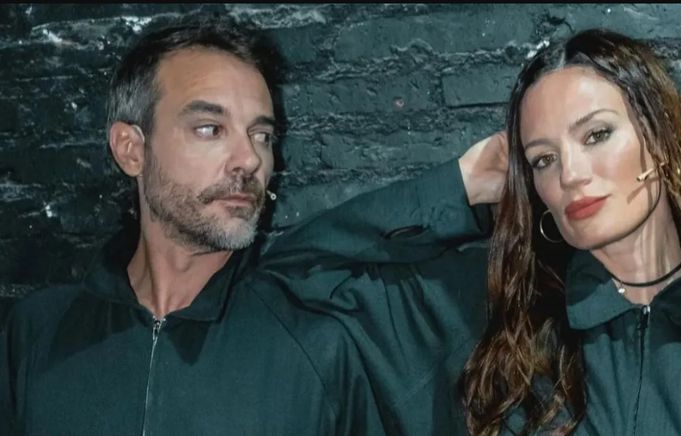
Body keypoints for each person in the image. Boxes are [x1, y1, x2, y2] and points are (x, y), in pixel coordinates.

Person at [0, 14, 507, 436]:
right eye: (210, 128)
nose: (249, 159)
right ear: (132, 149)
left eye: (262, 135)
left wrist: (463, 185)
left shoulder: (313, 344)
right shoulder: (37, 332)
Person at [461, 28, 681, 435]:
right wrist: (460, 184)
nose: (570, 174)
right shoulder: (511, 331)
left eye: (597, 135)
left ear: (658, 138)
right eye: (543, 159)